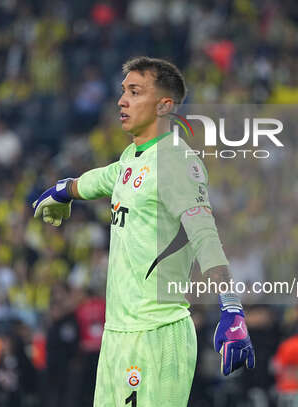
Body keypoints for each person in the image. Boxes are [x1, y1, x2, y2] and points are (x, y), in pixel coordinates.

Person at [33, 56, 255, 406]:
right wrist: (65, 189)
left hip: (157, 335)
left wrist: (231, 308)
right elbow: (103, 178)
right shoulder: (131, 159)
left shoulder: (177, 163)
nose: (122, 100)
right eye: (123, 91)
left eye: (135, 92)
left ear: (164, 105)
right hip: (118, 335)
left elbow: (205, 236)